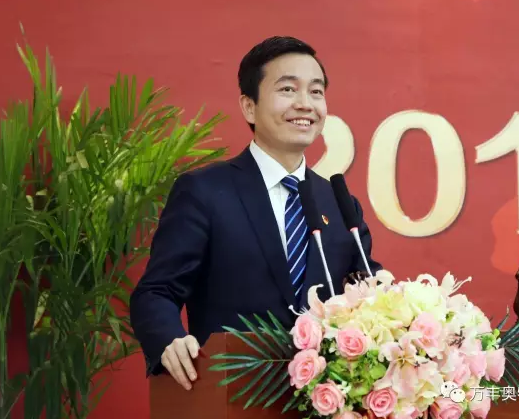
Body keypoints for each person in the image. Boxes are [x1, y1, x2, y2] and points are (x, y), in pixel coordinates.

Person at [129, 36, 382, 391]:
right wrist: (169, 339)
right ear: (249, 107)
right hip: (231, 393)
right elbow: (157, 291)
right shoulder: (205, 192)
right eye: (288, 89)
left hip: (323, 400)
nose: (305, 104)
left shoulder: (339, 204)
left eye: (316, 91)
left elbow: (367, 289)